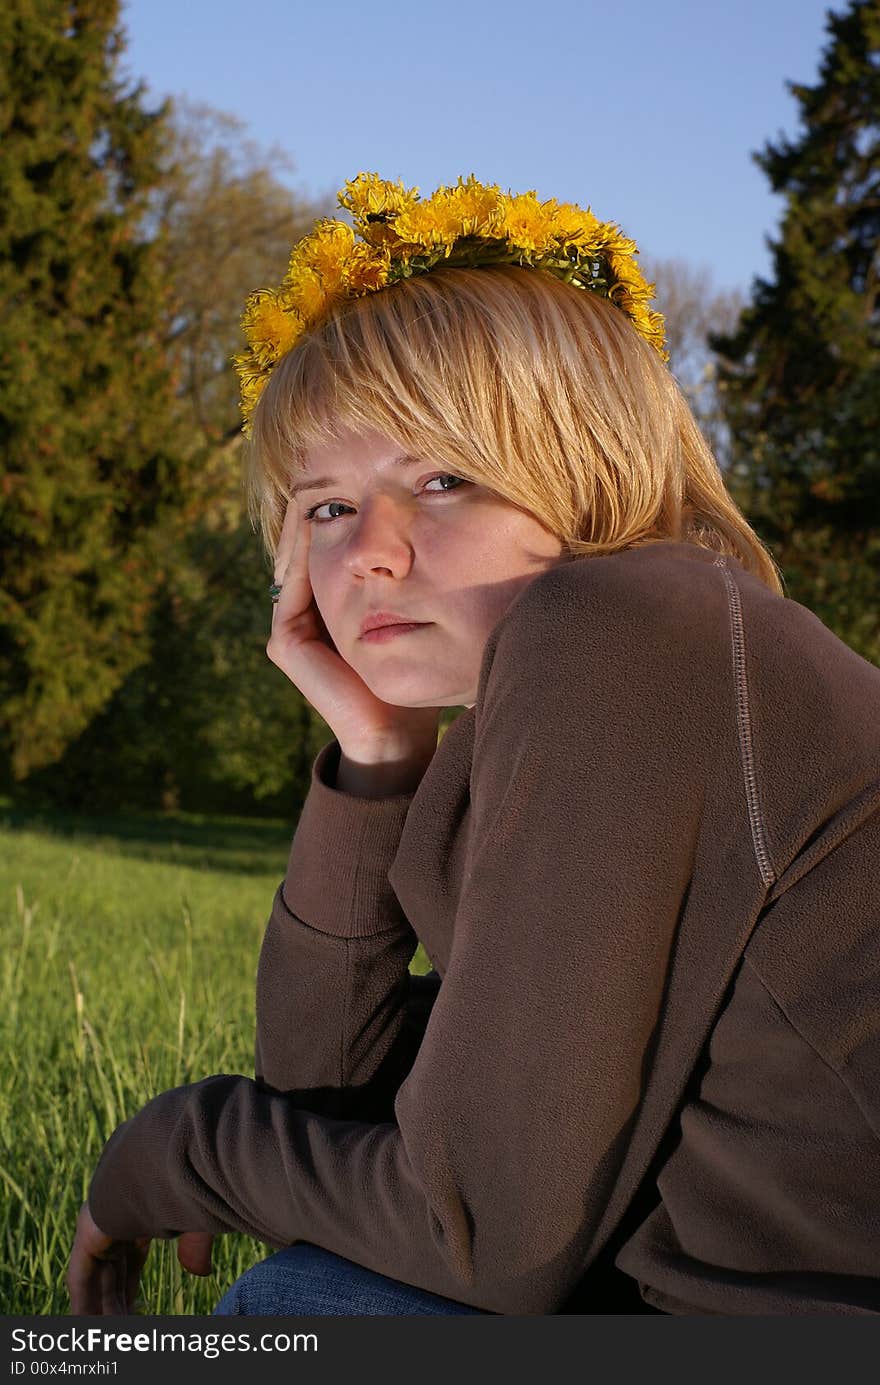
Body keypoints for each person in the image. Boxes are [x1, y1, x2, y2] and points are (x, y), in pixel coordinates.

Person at [67, 174, 880, 1317]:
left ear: (593, 471)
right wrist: (373, 754)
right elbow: (340, 1103)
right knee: (320, 1286)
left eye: (444, 479)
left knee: (303, 1315)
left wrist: (179, 1148)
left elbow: (483, 1232)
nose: (369, 557)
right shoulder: (637, 656)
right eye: (327, 507)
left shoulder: (622, 632)